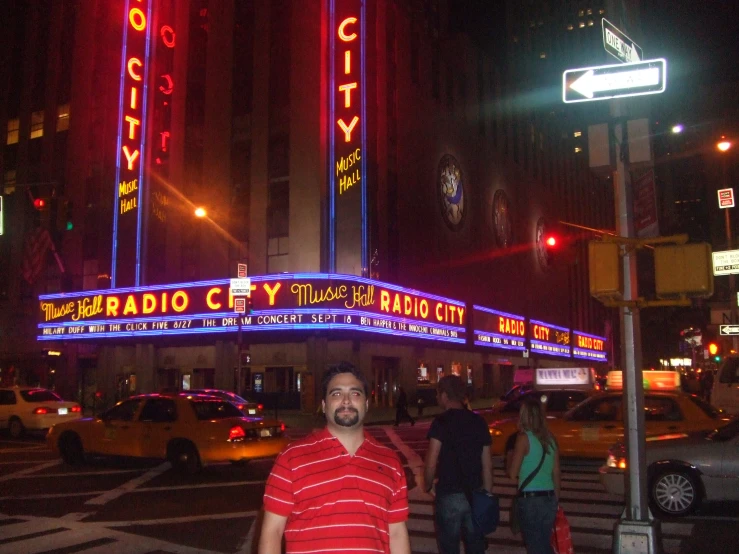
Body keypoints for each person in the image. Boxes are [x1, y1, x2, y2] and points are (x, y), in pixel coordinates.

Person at [259, 363, 411, 554]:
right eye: (336, 394)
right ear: (323, 406)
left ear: (366, 404)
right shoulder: (291, 458)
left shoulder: (390, 462)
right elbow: (272, 531)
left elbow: (397, 532)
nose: (346, 401)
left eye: (355, 393)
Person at [424, 375, 493, 554]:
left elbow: (431, 460)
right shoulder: (478, 421)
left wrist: (428, 484)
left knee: (448, 546)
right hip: (475, 493)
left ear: (446, 395)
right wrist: (487, 494)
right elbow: (486, 464)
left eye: (438, 394)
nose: (437, 398)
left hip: (449, 493)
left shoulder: (440, 422)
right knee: (475, 545)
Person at [506, 396, 560, 554]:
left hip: (530, 499)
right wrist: (556, 500)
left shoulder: (523, 438)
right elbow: (556, 473)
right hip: (549, 498)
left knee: (535, 546)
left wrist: (510, 456)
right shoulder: (551, 439)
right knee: (544, 543)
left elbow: (512, 474)